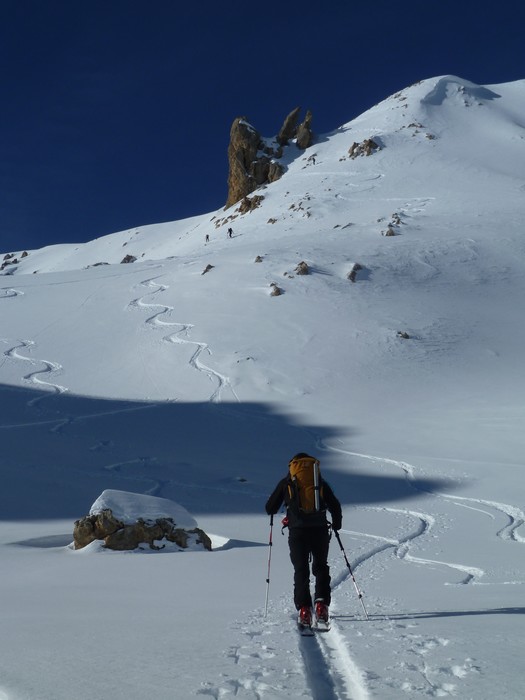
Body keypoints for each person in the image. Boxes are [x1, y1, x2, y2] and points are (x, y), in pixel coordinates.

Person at [265, 452, 342, 627]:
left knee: (301, 570)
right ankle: (321, 604)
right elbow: (335, 505)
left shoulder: (287, 482)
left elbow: (270, 508)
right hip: (320, 530)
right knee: (321, 566)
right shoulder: (318, 482)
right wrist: (336, 525)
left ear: (292, 467)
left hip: (297, 531)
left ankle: (304, 609)